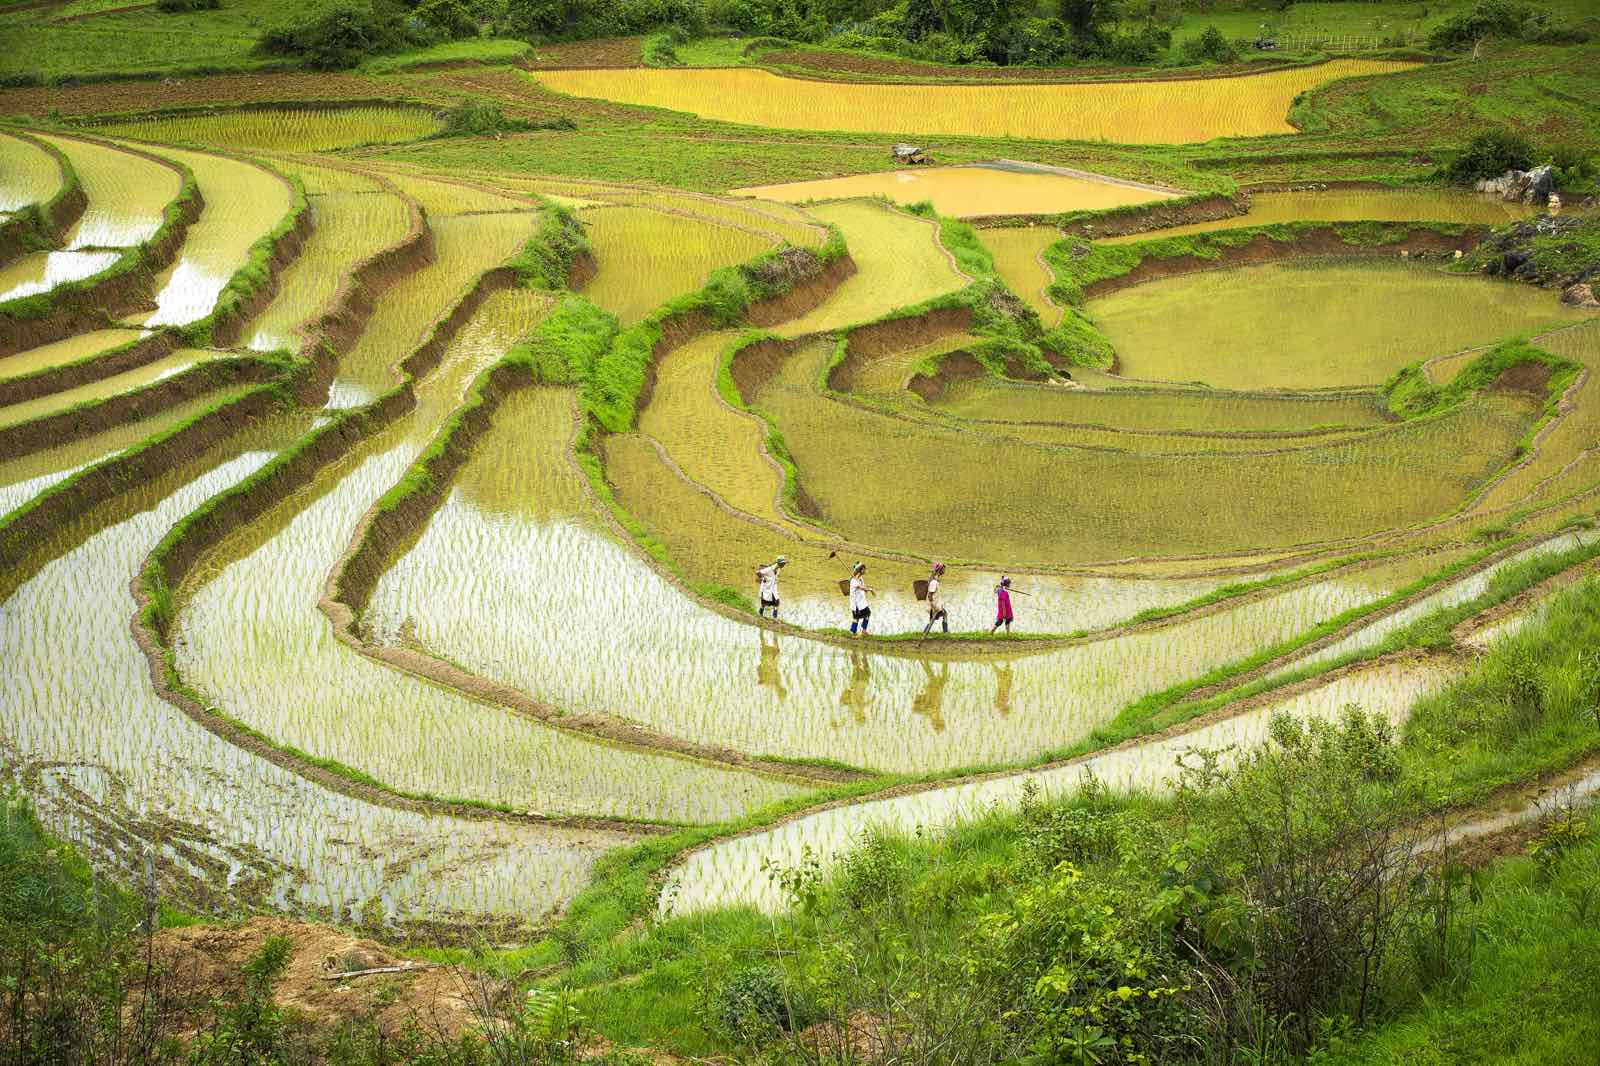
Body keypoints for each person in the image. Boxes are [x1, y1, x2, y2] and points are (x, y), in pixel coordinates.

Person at [848, 561, 875, 636]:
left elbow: (863, 587)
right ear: (861, 570)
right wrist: (870, 589)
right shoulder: (853, 581)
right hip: (856, 604)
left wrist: (866, 589)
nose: (865, 570)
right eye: (864, 569)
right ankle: (854, 632)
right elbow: (861, 587)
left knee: (866, 614)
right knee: (857, 617)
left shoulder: (860, 579)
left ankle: (861, 631)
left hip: (861, 602)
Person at [922, 561, 948, 635]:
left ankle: (925, 633)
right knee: (942, 616)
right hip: (934, 606)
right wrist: (934, 607)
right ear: (939, 570)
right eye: (943, 569)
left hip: (935, 605)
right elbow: (930, 596)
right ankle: (945, 633)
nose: (944, 571)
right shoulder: (934, 582)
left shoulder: (935, 581)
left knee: (938, 617)